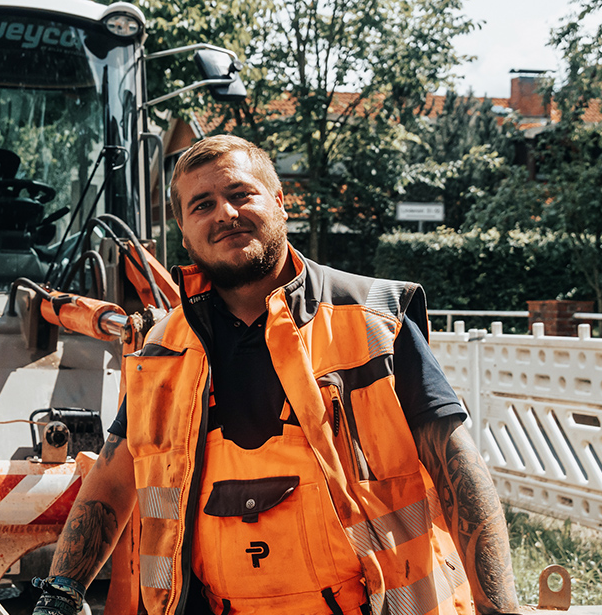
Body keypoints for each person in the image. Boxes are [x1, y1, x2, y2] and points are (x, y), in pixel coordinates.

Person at [35, 136, 523, 615]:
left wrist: (498, 609)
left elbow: (460, 474)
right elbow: (112, 480)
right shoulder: (165, 349)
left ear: (280, 202)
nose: (225, 213)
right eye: (202, 205)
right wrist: (61, 593)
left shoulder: (371, 319)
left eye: (240, 193)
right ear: (184, 233)